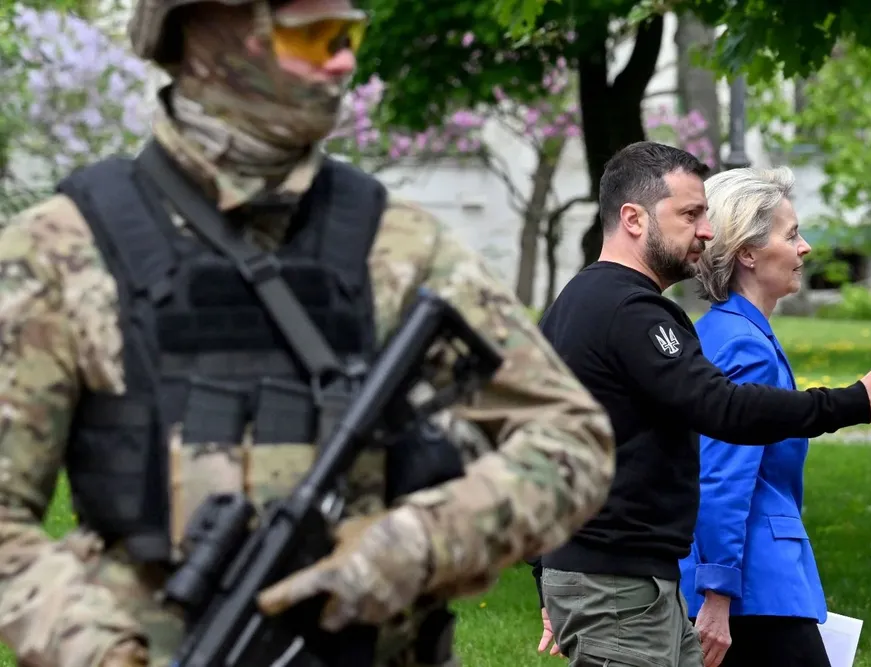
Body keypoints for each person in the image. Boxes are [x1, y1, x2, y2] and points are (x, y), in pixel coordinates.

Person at [0, 2, 617, 666]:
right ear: (208, 34)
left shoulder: (399, 244)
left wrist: (416, 544)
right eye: (315, 35)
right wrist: (96, 647)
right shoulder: (62, 250)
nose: (346, 60)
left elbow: (570, 434)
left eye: (348, 35)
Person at [532, 142, 871, 667]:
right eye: (689, 214)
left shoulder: (576, 304)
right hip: (620, 584)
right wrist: (853, 403)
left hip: (629, 578)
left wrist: (547, 569)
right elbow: (725, 415)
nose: (706, 230)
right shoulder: (632, 312)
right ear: (633, 218)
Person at [678, 166, 830, 667]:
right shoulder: (746, 345)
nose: (804, 247)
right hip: (756, 589)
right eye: (791, 234)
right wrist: (718, 592)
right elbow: (723, 473)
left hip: (746, 583)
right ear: (747, 252)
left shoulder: (721, 330)